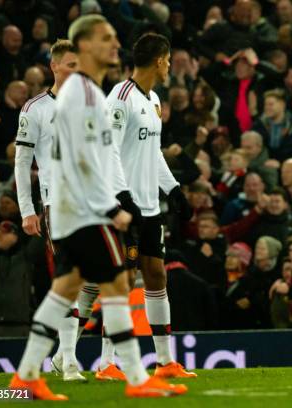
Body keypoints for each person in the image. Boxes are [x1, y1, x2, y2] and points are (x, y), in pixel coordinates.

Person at [8, 15, 187, 400]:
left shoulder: (87, 93)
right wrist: (115, 203)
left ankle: (30, 373)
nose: (115, 46)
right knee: (108, 284)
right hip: (84, 206)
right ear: (86, 46)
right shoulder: (89, 97)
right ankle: (129, 375)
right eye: (106, 39)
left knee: (73, 288)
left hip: (88, 203)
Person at [104, 33, 195, 379]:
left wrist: (173, 189)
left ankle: (164, 362)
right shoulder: (120, 97)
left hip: (149, 206)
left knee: (156, 276)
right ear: (159, 60)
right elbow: (107, 149)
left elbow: (153, 150)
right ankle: (106, 362)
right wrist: (121, 195)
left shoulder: (154, 99)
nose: (170, 66)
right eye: (169, 60)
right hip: (123, 206)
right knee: (123, 281)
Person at [13, 39, 83, 382]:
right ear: (54, 66)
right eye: (70, 64)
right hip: (58, 204)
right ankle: (69, 361)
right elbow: (22, 161)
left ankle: (60, 356)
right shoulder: (35, 109)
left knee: (96, 282)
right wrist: (28, 210)